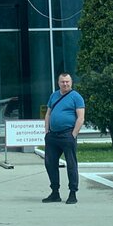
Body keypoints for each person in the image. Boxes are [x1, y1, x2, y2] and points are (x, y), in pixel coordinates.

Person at [42, 72, 85, 205]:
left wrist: (73, 134)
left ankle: (73, 193)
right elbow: (48, 114)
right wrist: (47, 131)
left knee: (71, 164)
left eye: (67, 81)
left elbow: (80, 117)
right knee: (50, 164)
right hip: (53, 136)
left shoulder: (76, 97)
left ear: (71, 83)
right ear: (58, 83)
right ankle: (55, 192)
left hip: (67, 135)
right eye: (62, 82)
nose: (65, 84)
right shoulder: (54, 96)